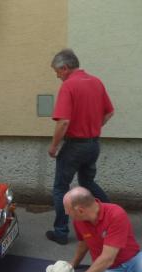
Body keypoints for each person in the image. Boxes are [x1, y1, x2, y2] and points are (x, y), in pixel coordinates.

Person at [46, 48, 115, 246]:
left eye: (57, 71)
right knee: (88, 184)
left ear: (65, 68)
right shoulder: (96, 82)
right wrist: (93, 129)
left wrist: (53, 146)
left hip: (74, 147)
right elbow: (109, 113)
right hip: (93, 144)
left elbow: (64, 122)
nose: (57, 76)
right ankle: (113, 216)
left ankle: (60, 232)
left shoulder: (69, 86)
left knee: (60, 188)